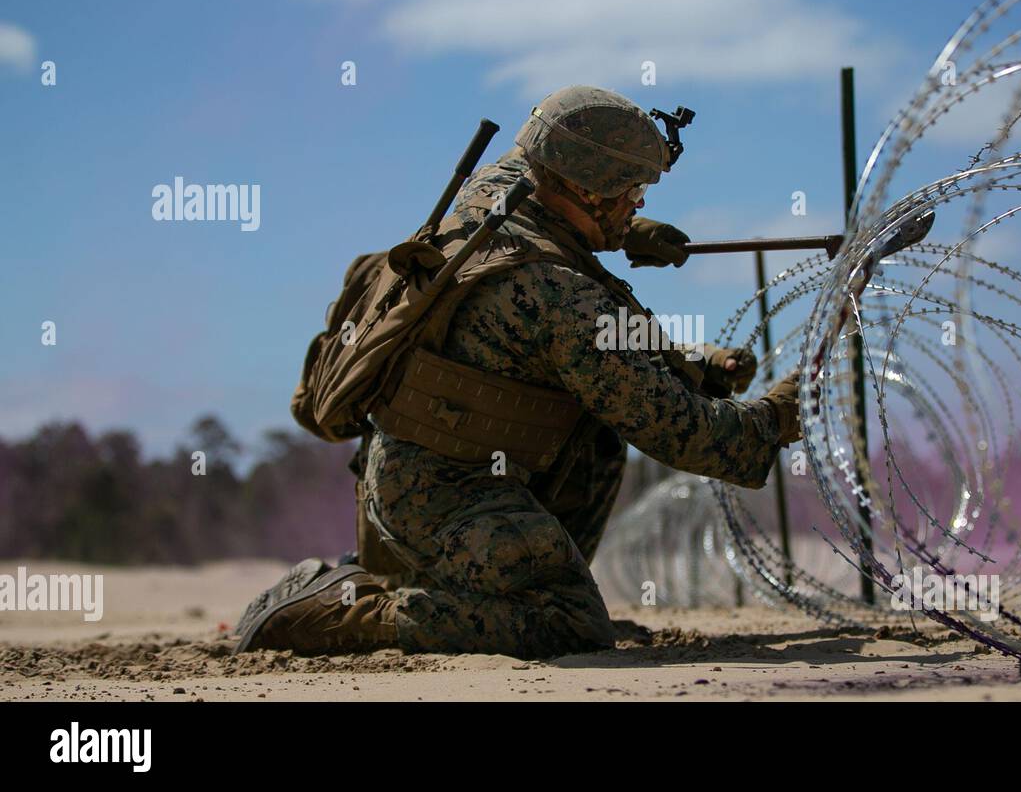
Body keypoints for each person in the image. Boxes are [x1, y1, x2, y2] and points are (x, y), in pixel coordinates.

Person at [234, 85, 802, 659]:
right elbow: (684, 432)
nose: (639, 200)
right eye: (631, 190)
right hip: (445, 491)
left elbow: (550, 202)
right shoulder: (560, 296)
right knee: (570, 628)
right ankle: (338, 612)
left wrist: (626, 232)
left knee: (594, 434)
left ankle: (500, 590)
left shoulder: (497, 189)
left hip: (419, 463)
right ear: (585, 186)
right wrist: (776, 418)